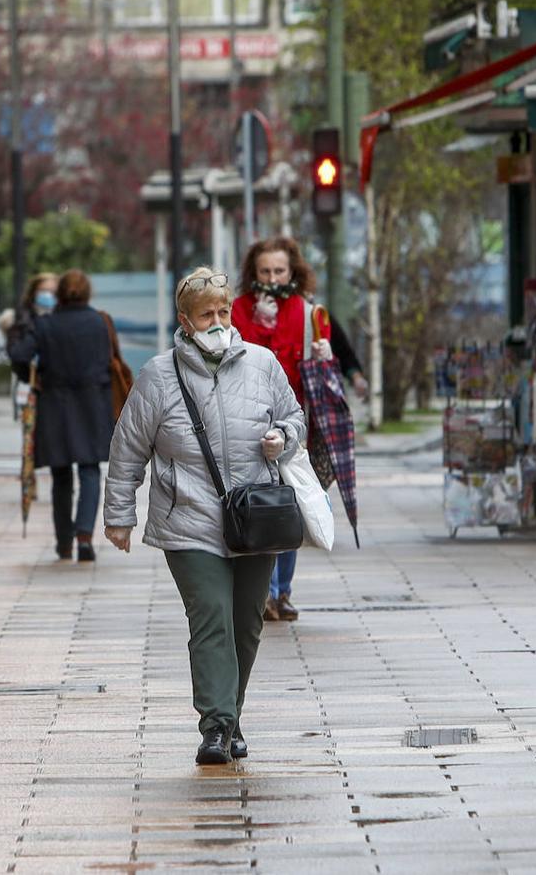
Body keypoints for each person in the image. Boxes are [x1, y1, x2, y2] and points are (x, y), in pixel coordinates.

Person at [104, 268, 306, 764]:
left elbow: (295, 417)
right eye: (204, 315)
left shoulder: (262, 364)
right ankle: (215, 728)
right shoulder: (158, 375)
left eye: (222, 312)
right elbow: (128, 447)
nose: (216, 322)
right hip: (188, 519)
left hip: (256, 518)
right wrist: (119, 514)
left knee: (246, 624)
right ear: (184, 321)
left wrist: (282, 435)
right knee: (211, 616)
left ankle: (230, 717)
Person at [232, 236, 331, 622]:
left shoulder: (307, 312)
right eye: (264, 271)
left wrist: (325, 358)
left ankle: (281, 591)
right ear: (252, 273)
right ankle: (262, 592)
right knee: (256, 507)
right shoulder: (238, 311)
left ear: (293, 271)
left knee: (288, 508)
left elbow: (320, 366)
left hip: (293, 424)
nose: (272, 278)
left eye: (279, 271)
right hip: (245, 424)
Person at [9, 269, 114, 562]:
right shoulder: (99, 322)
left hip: (55, 404)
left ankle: (63, 541)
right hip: (93, 402)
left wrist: (33, 378)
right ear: (87, 293)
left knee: (61, 474)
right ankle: (84, 536)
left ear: (58, 295)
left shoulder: (45, 325)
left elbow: (18, 354)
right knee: (90, 470)